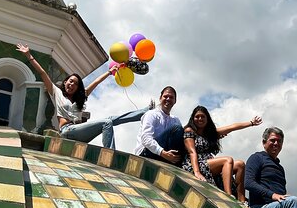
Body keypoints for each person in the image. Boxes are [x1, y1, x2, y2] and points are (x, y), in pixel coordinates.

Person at [17, 44, 148, 149]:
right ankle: (110, 154)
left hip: (80, 133)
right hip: (67, 131)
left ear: (77, 88)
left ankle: (143, 112)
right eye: (70, 81)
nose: (72, 84)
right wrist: (29, 55)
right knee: (107, 122)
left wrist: (109, 72)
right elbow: (43, 73)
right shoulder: (56, 93)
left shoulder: (81, 97)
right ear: (65, 82)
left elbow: (95, 83)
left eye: (75, 83)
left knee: (110, 120)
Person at [182, 105, 262, 202]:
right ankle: (228, 195)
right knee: (227, 160)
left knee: (240, 164)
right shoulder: (189, 131)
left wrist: (251, 123)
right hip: (194, 165)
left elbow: (232, 127)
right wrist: (197, 172)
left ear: (207, 119)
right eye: (197, 116)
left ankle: (242, 200)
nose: (200, 119)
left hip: (208, 163)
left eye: (203, 116)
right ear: (193, 118)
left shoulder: (210, 133)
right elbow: (192, 152)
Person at [134, 86, 184, 164]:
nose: (168, 99)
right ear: (160, 98)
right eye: (165, 96)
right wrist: (162, 153)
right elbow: (146, 138)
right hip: (145, 154)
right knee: (177, 129)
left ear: (175, 101)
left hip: (164, 154)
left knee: (185, 134)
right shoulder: (151, 114)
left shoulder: (175, 120)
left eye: (171, 97)